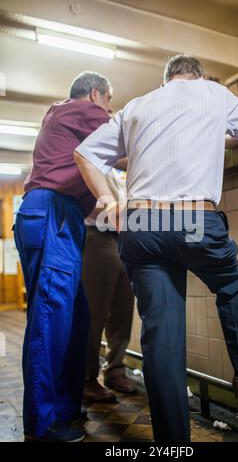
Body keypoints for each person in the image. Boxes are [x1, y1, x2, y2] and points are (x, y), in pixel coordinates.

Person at [74, 55, 238, 443]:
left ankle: (172, 445)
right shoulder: (214, 92)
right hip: (194, 221)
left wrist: (108, 201)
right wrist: (218, 137)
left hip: (141, 225)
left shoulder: (137, 106)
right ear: (195, 76)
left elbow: (84, 152)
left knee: (161, 336)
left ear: (166, 80)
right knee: (229, 283)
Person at [14, 71, 114, 442]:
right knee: (51, 318)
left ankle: (65, 407)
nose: (109, 109)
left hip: (60, 216)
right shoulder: (78, 109)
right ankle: (41, 425)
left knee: (76, 316)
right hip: (51, 212)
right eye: (109, 102)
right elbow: (120, 135)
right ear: (94, 94)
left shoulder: (65, 118)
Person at [83, 167, 137, 403]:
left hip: (125, 234)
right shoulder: (93, 150)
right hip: (96, 230)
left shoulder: (124, 160)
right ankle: (86, 378)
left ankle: (115, 369)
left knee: (124, 307)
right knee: (95, 310)